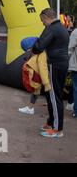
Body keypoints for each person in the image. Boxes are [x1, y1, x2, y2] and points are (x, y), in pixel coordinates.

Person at [32, 8, 69, 138]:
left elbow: (38, 47)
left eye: (42, 20)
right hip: (62, 63)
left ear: (47, 17)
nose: (42, 23)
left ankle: (58, 129)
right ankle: (52, 122)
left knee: (54, 96)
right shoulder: (62, 27)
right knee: (51, 95)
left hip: (55, 64)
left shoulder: (51, 29)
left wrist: (34, 42)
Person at [68, 27, 77, 118]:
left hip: (76, 65)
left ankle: (76, 111)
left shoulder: (75, 32)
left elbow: (70, 49)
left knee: (76, 88)